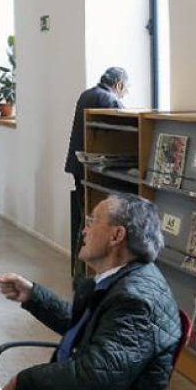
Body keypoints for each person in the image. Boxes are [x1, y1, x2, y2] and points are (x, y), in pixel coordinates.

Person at [0, 194, 180, 390]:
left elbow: (95, 376)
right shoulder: (121, 279)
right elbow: (88, 325)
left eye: (92, 222)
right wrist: (34, 296)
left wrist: (24, 381)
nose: (84, 230)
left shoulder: (136, 300)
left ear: (116, 236)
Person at [64, 67, 128, 270]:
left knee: (86, 217)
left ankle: (79, 269)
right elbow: (125, 120)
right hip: (96, 171)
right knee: (96, 221)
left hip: (79, 165)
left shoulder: (87, 94)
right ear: (118, 84)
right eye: (125, 89)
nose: (124, 94)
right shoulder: (109, 99)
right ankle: (91, 267)